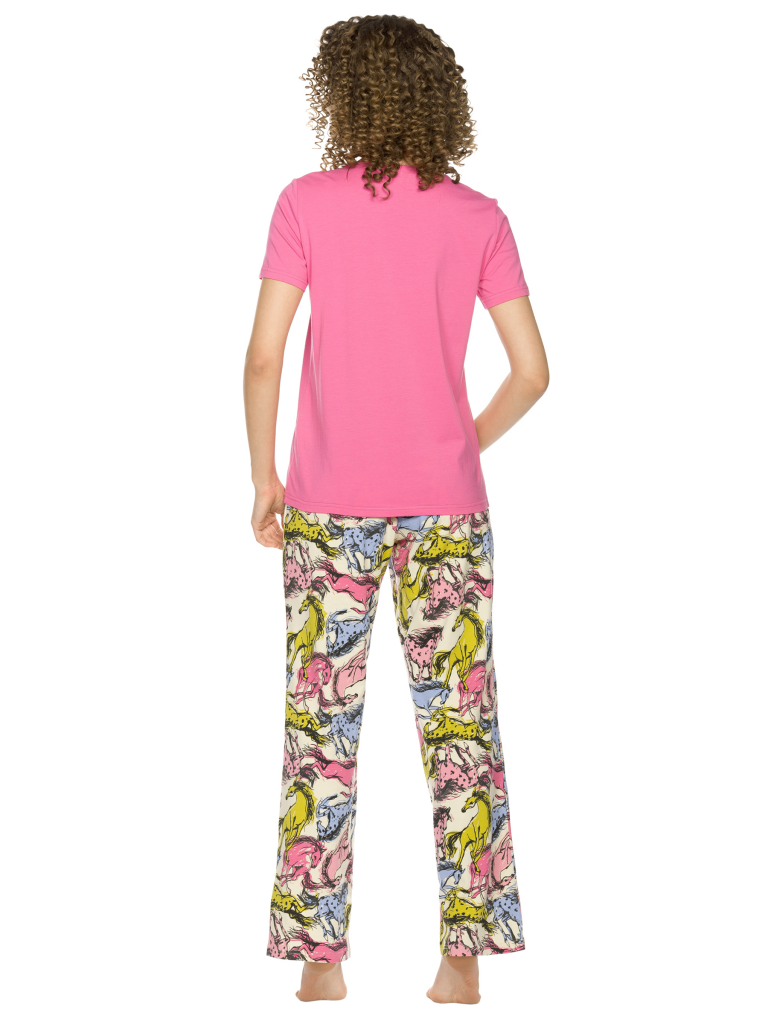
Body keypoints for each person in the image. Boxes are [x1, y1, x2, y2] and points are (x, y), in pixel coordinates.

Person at [243, 14, 549, 1005]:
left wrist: (264, 477)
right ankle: (462, 964)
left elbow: (264, 356)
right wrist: (460, 441)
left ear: (342, 97)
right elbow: (533, 372)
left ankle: (320, 963)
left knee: (318, 730)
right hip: (447, 516)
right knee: (462, 730)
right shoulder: (479, 217)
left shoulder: (305, 203)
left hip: (325, 511)